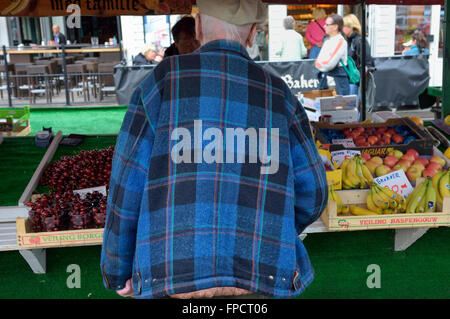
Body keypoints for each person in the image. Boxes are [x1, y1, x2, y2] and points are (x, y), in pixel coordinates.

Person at [100, 0, 328, 299]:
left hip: (173, 277)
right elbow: (313, 191)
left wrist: (117, 271)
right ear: (252, 34)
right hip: (259, 276)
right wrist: (269, 226)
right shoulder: (278, 94)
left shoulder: (161, 83)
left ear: (196, 26)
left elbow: (126, 187)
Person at [315, 14, 350, 96]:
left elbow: (328, 65)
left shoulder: (341, 42)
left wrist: (321, 65)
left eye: (327, 24)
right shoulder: (327, 41)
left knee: (339, 108)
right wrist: (322, 64)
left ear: (335, 27)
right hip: (327, 82)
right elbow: (318, 62)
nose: (324, 26)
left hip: (337, 84)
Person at [342, 13, 375, 97]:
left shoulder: (360, 41)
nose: (342, 29)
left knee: (353, 107)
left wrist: (362, 81)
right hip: (351, 80)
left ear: (351, 27)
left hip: (357, 82)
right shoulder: (349, 41)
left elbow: (367, 63)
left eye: (344, 26)